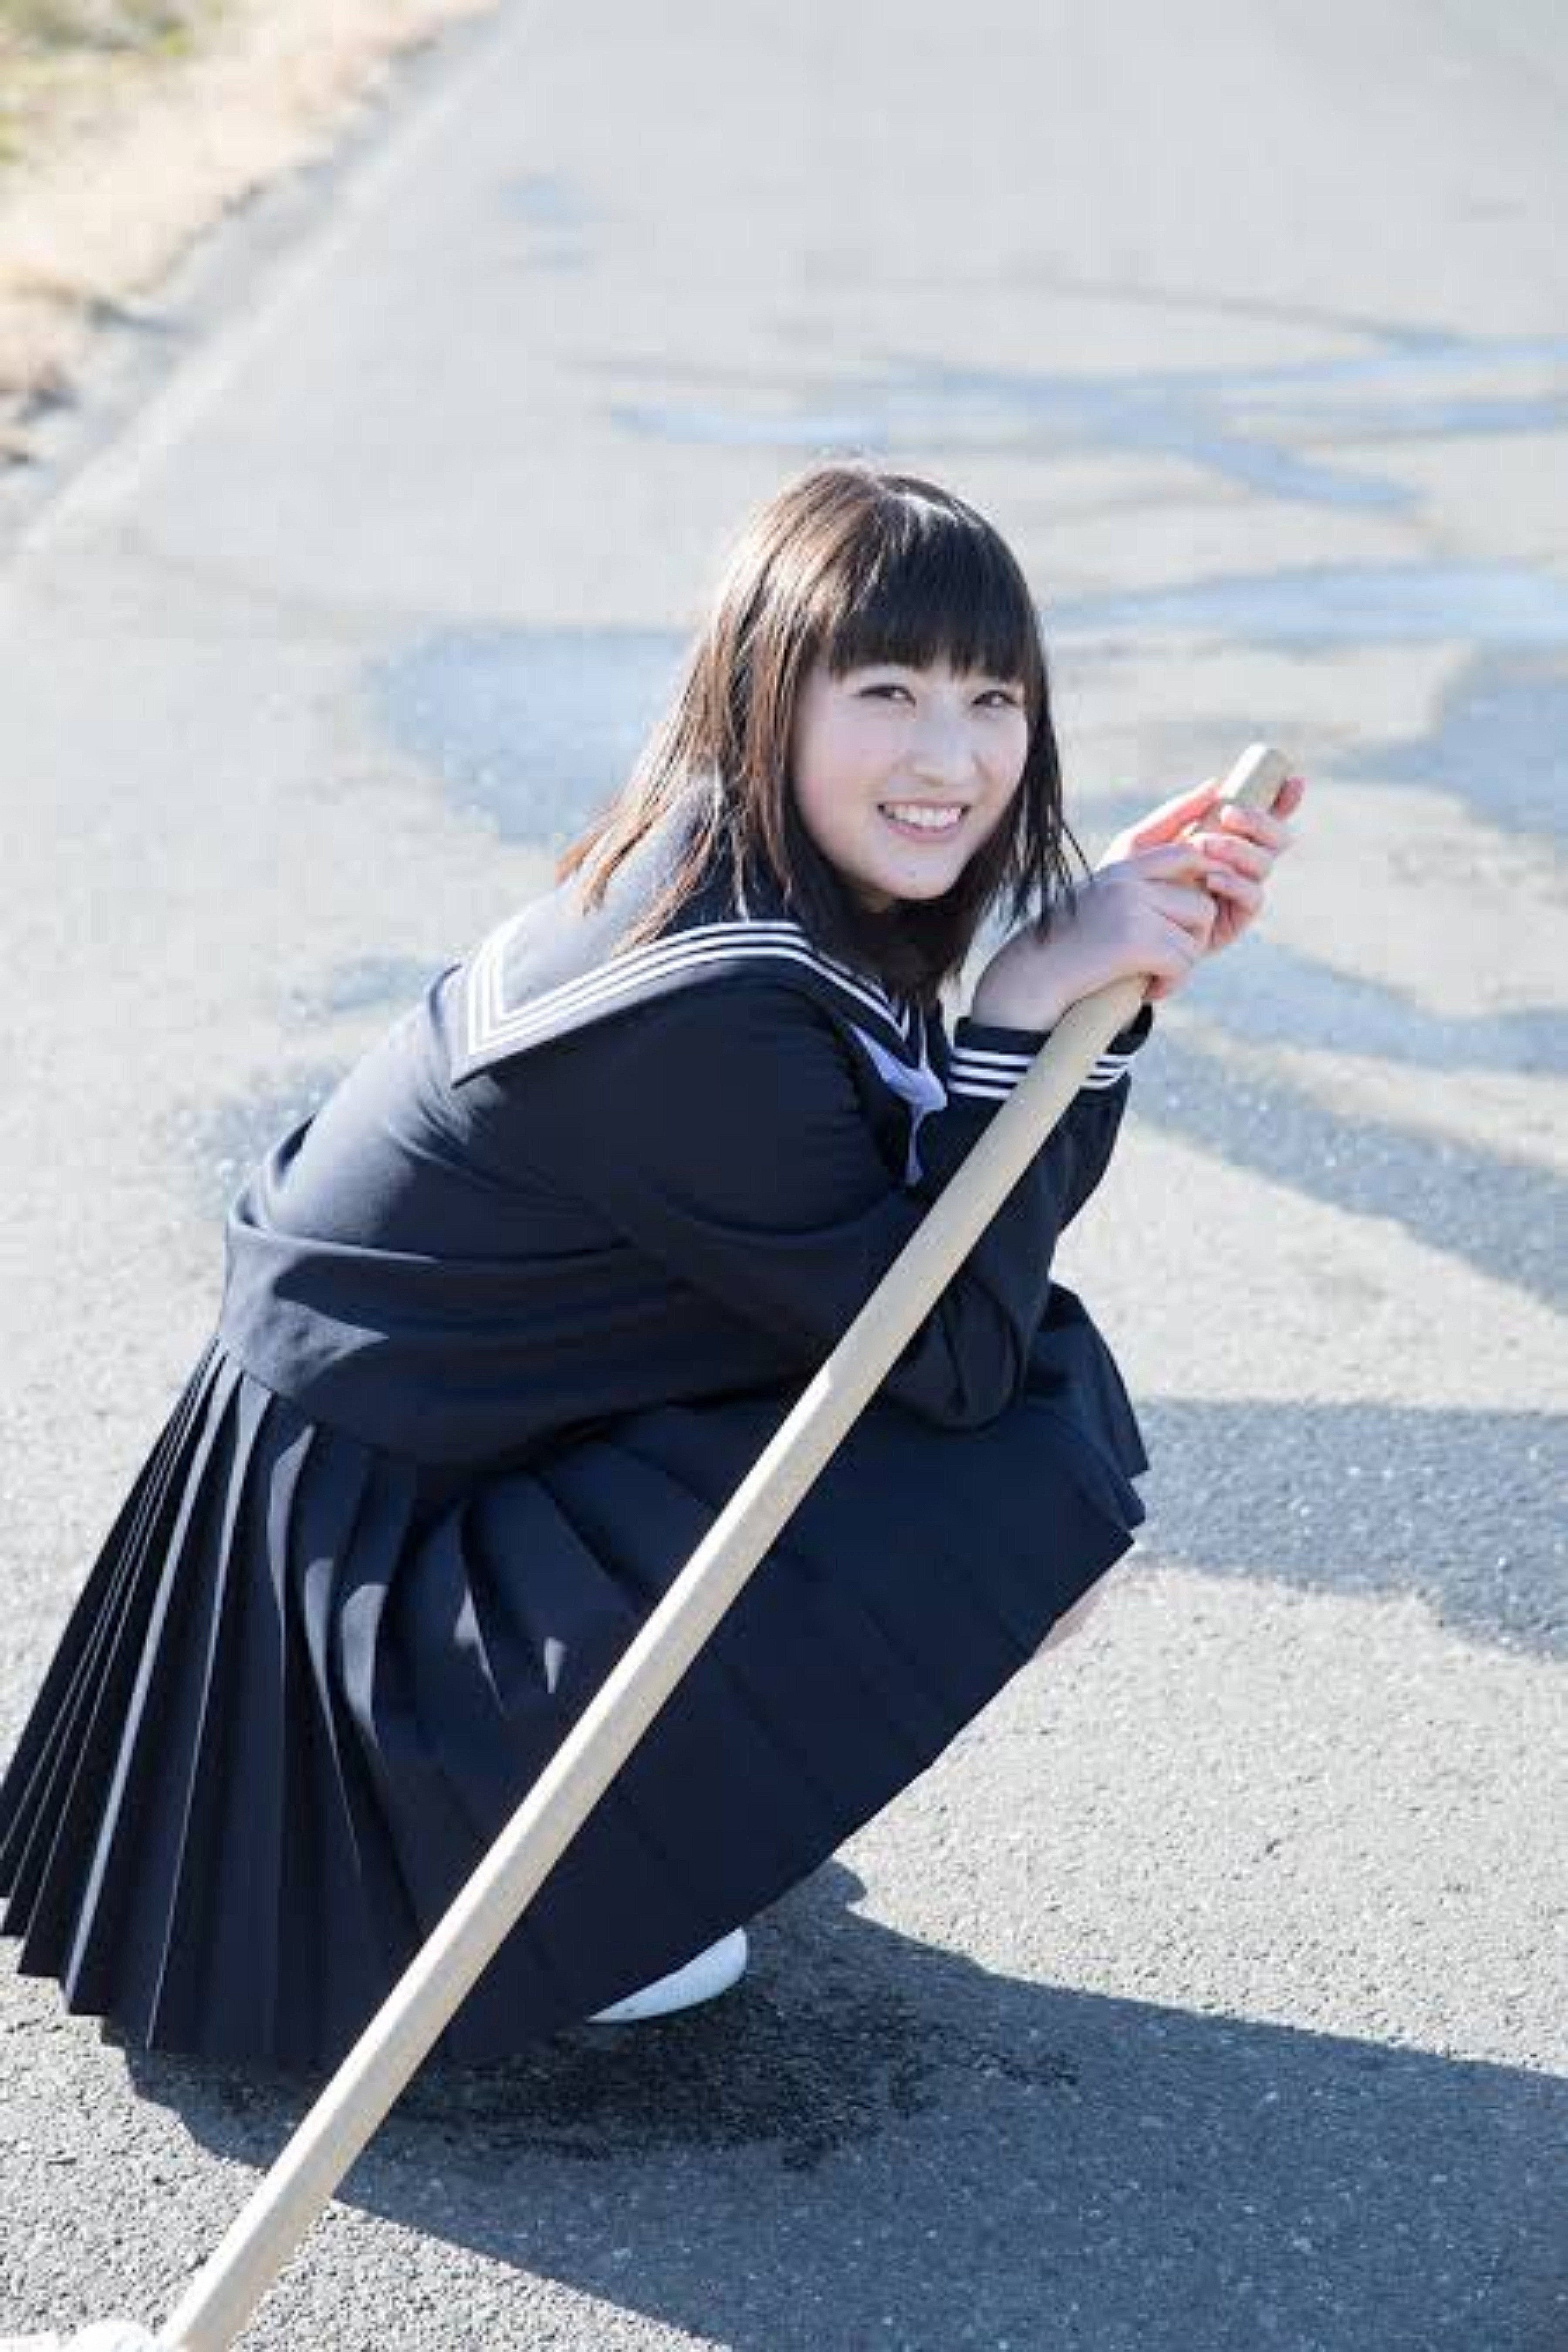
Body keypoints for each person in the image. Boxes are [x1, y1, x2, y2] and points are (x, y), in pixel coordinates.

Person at [0, 462, 1303, 2069]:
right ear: (766, 692)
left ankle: (634, 1823)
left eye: (993, 700)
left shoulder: (738, 863)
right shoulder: (705, 1005)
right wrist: (1031, 1006)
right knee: (1013, 1458)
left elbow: (944, 1255)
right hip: (342, 1649)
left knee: (1022, 1376)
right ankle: (557, 1890)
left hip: (409, 1502)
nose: (951, 758)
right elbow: (952, 1353)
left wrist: (1073, 1005)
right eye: (885, 692)